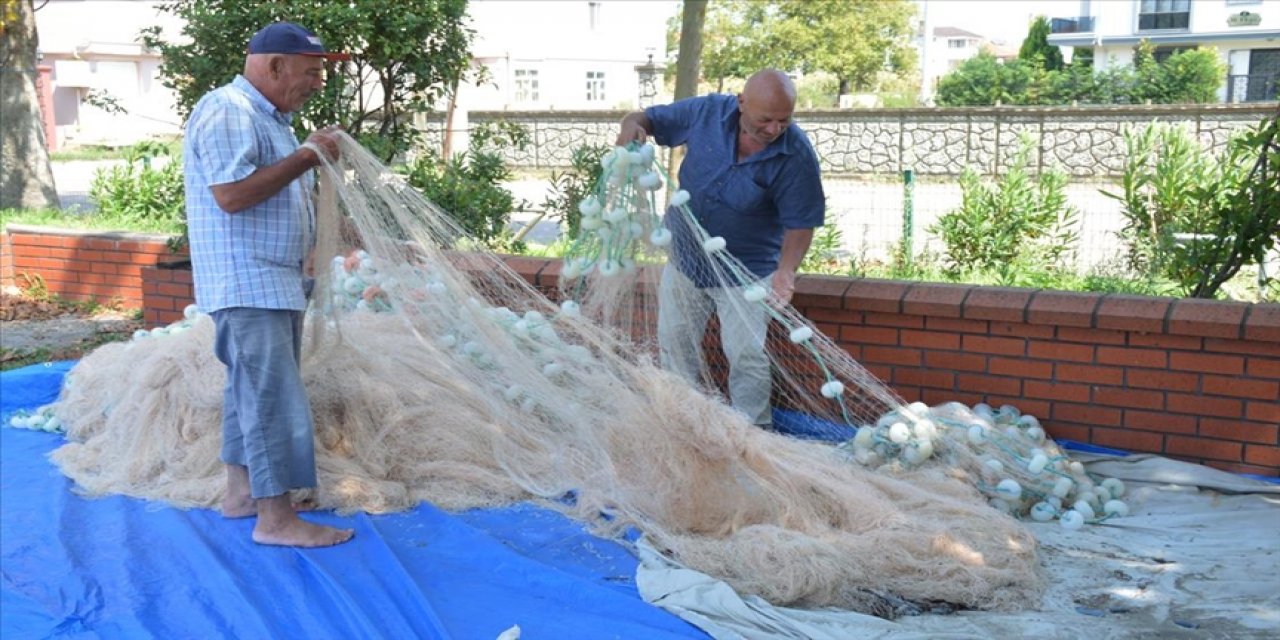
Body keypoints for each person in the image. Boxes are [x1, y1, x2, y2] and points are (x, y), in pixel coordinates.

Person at [184, 21, 353, 547]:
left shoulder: (269, 117)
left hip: (268, 279)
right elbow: (231, 195)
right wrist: (307, 156)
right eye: (310, 72)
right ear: (274, 65)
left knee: (248, 393)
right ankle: (276, 520)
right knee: (271, 398)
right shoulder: (230, 111)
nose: (318, 83)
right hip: (246, 281)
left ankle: (240, 495)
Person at [615, 69, 825, 429]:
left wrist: (786, 270)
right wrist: (629, 129)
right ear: (742, 103)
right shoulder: (707, 113)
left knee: (746, 355)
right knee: (675, 345)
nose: (774, 129)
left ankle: (754, 435)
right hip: (686, 260)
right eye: (765, 120)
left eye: (783, 121)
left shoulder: (796, 155)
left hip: (747, 270)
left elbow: (800, 222)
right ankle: (681, 424)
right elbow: (645, 119)